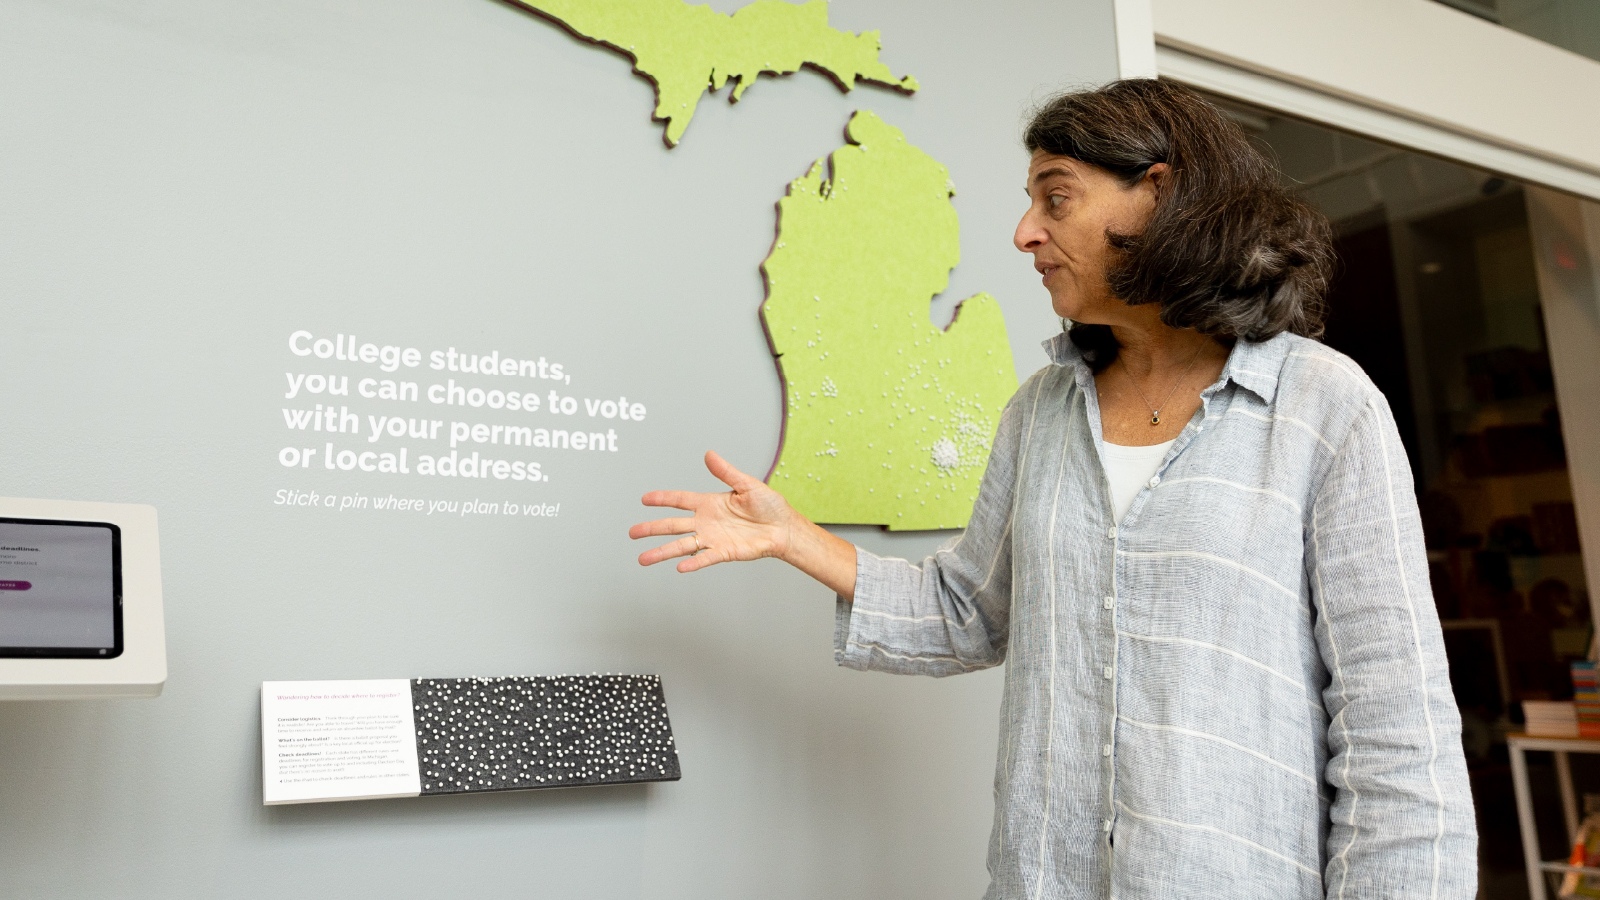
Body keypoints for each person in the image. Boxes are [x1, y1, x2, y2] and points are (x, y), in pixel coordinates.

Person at [629, 79, 1477, 899]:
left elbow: (1395, 736)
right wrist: (793, 538)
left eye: (1056, 197)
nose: (1024, 232)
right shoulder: (1039, 412)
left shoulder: (1325, 407)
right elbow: (970, 613)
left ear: (1159, 193)